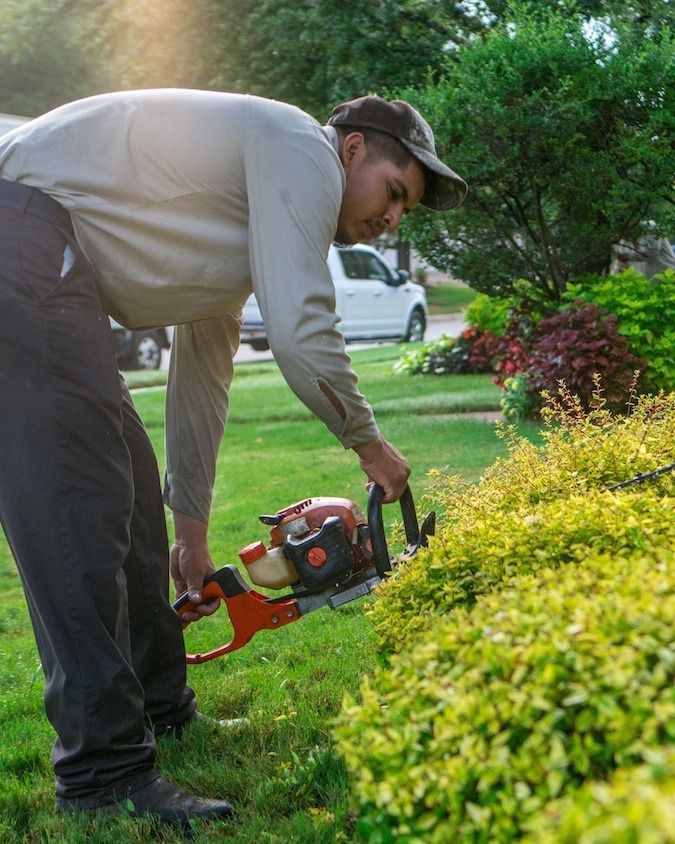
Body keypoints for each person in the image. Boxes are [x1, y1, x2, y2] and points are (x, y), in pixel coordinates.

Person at [0, 90, 467, 830]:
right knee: (76, 504)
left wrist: (188, 530)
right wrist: (367, 443)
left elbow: (202, 367)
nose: (391, 220)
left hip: (48, 264)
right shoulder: (303, 150)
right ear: (352, 151)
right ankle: (101, 772)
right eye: (395, 192)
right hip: (20, 237)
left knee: (127, 504)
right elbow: (298, 329)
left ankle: (162, 709)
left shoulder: (244, 212)